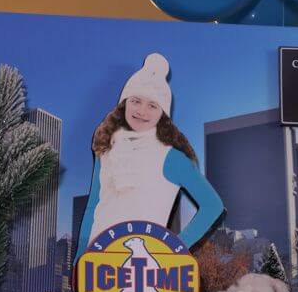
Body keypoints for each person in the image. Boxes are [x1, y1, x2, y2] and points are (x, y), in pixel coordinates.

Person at [75, 53, 223, 258]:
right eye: (136, 101)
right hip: (98, 262)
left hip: (142, 267)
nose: (142, 111)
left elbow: (212, 205)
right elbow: (93, 205)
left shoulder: (171, 157)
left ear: (163, 113)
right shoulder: (106, 148)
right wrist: (79, 259)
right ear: (125, 103)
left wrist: (173, 248)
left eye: (152, 105)